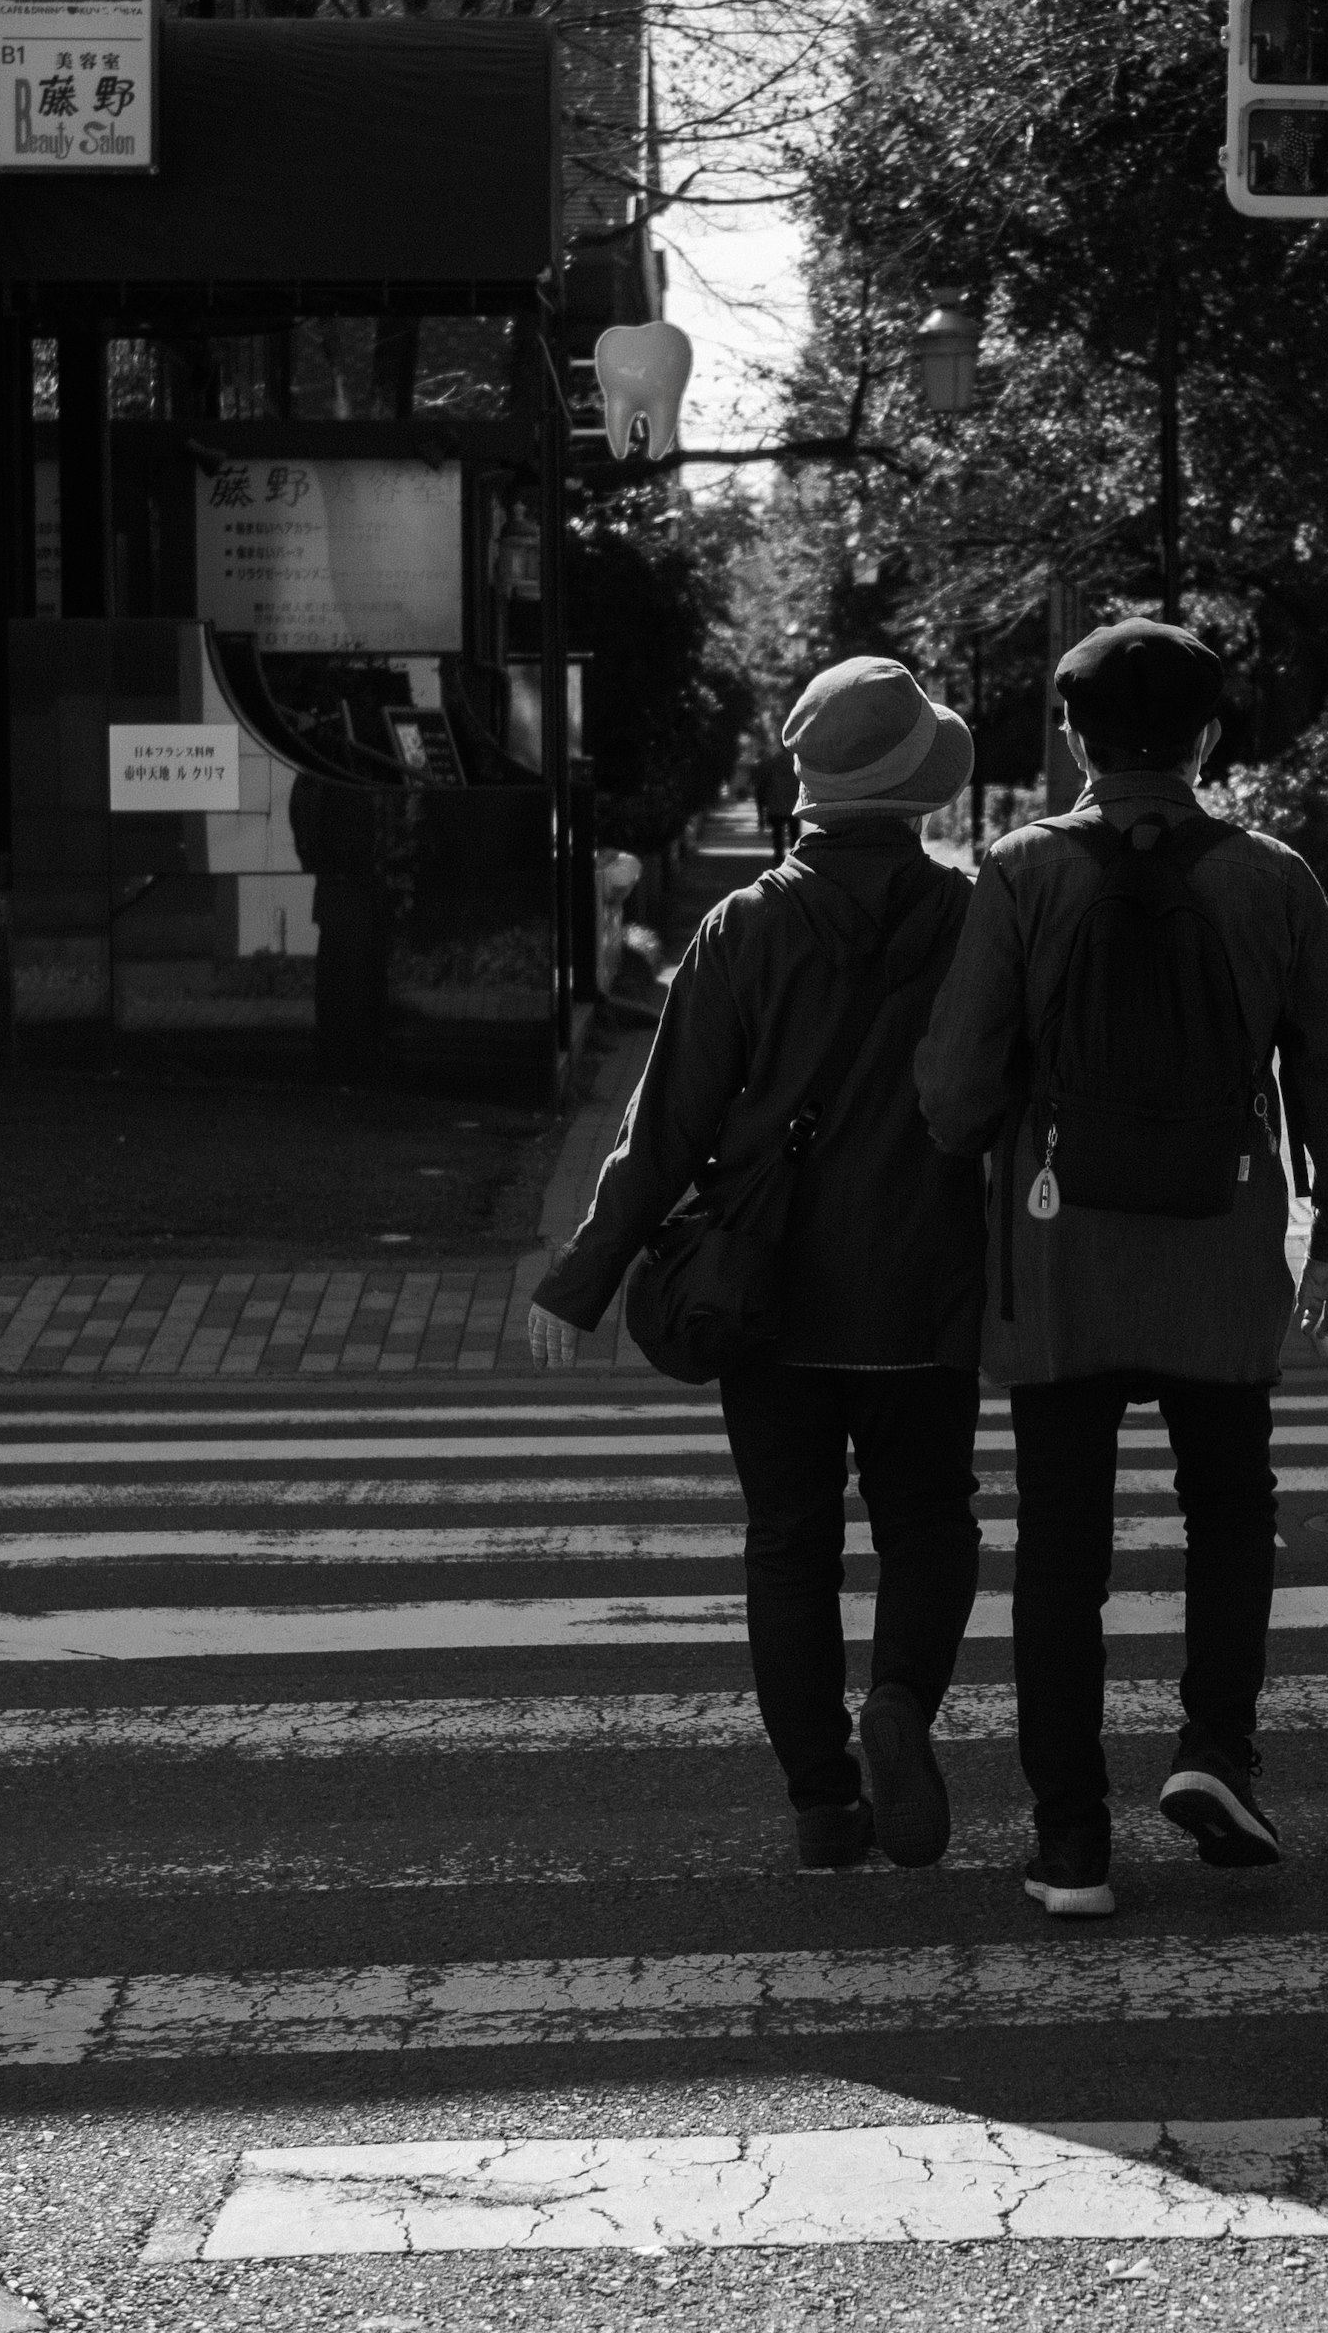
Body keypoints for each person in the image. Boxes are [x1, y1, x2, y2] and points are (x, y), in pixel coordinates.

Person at [917, 617, 1328, 1921]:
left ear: (1072, 737)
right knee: (1231, 1508)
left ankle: (1070, 1841)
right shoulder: (1272, 879)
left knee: (1061, 1548)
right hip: (1219, 1245)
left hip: (1059, 1258)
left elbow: (954, 1095)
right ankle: (1216, 1752)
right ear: (1208, 739)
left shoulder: (1016, 876)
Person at [528, 657, 989, 1871]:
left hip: (767, 1289)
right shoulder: (970, 916)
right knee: (931, 1524)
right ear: (918, 795)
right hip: (929, 1285)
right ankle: (900, 1703)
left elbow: (666, 1123)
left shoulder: (745, 926)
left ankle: (822, 1799)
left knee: (789, 1539)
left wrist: (582, 1278)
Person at [750, 736, 801, 865]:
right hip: (794, 803)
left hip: (776, 803)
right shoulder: (798, 763)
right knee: (794, 834)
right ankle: (795, 858)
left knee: (777, 833)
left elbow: (763, 783)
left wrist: (764, 803)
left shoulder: (772, 763)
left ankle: (778, 857)